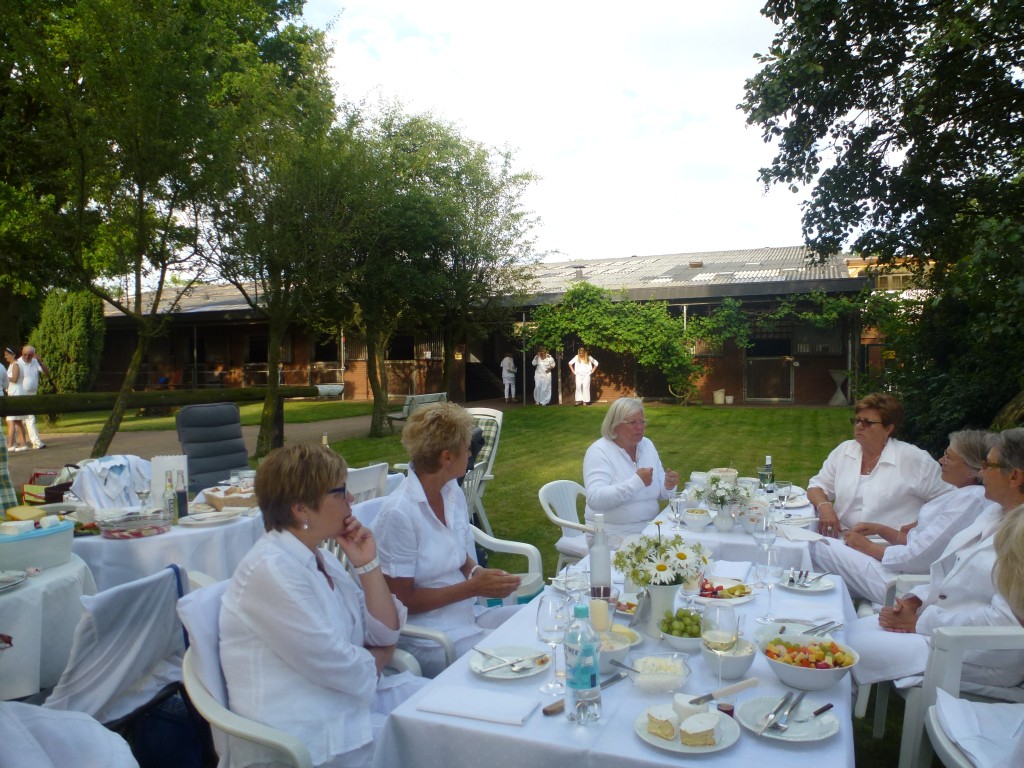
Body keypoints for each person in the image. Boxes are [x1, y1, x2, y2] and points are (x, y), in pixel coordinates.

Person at [219, 444, 424, 768]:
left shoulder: (320, 556)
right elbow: (338, 664)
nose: (352, 500)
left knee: (455, 712)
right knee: (440, 740)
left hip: (347, 708)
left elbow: (383, 633)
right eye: (341, 492)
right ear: (302, 508)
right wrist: (379, 656)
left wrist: (367, 565)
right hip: (307, 737)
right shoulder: (271, 571)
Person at [847, 428, 1024, 690]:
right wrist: (915, 601)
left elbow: (1005, 620)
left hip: (979, 651)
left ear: (1015, 476)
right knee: (850, 634)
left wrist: (921, 622)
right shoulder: (995, 513)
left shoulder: (1019, 534)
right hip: (941, 626)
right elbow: (951, 571)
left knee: (852, 649)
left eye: (988, 465)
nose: (981, 472)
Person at [372, 402, 521, 677]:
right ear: (446, 457)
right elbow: (401, 600)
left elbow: (454, 553)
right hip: (430, 637)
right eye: (466, 448)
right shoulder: (399, 514)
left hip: (468, 617)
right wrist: (473, 588)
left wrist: (477, 572)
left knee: (536, 621)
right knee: (520, 657)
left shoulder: (450, 492)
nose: (470, 453)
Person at [811, 429, 998, 603]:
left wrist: (866, 547)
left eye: (949, 458)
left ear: (972, 469)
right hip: (902, 572)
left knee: (815, 545)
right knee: (819, 567)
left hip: (907, 585)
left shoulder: (970, 500)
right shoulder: (960, 494)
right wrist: (881, 530)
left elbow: (917, 557)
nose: (941, 460)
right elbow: (925, 543)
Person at [806, 392, 951, 536]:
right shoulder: (845, 451)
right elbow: (816, 486)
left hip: (888, 547)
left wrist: (917, 528)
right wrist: (824, 506)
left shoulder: (915, 460)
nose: (859, 426)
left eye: (868, 423)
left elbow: (952, 501)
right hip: (841, 536)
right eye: (856, 420)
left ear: (889, 429)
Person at [582, 397, 680, 545]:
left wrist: (668, 486)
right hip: (610, 533)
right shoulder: (599, 451)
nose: (640, 427)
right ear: (614, 426)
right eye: (632, 422)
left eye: (642, 421)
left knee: (687, 545)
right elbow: (595, 499)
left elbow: (662, 495)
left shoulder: (647, 445)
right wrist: (635, 483)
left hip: (651, 527)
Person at [16, 346, 49, 450]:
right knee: (29, 418)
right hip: (21, 394)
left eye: (30, 355)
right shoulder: (17, 363)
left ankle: (25, 442)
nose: (27, 357)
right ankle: (35, 442)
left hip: (32, 394)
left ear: (33, 355)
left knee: (27, 419)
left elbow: (47, 373)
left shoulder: (35, 362)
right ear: (22, 353)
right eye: (25, 354)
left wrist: (40, 362)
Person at [4, 348, 28, 452]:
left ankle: (10, 445)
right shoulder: (11, 365)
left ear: (13, 355)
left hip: (17, 392)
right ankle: (22, 443)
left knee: (11, 420)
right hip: (13, 392)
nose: (5, 357)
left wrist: (4, 377)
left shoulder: (16, 365)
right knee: (17, 421)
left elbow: (14, 379)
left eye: (7, 355)